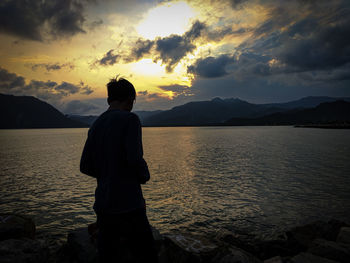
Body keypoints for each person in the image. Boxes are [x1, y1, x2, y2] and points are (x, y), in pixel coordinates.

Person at [80, 77, 158, 262]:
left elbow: (85, 166)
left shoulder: (96, 124)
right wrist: (144, 176)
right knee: (146, 254)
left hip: (104, 205)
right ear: (130, 98)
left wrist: (108, 174)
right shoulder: (130, 119)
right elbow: (134, 158)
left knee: (109, 255)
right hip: (129, 204)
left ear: (110, 98)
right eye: (133, 100)